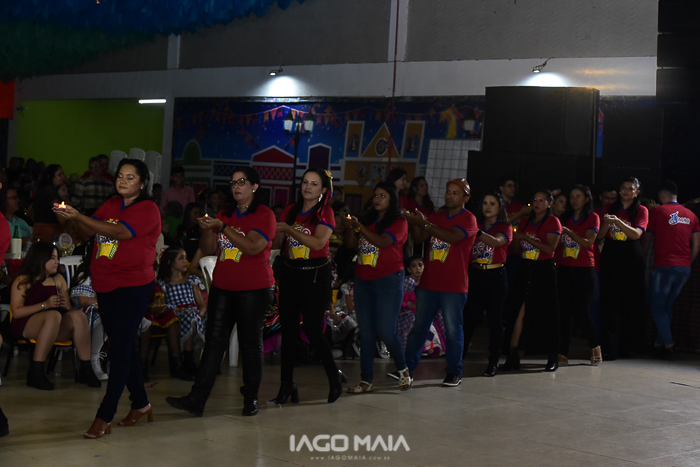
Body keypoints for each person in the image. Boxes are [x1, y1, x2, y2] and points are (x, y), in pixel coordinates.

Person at [54, 158, 161, 439]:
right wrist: (70, 218)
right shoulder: (113, 204)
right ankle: (141, 403)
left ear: (143, 183)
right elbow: (89, 232)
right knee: (122, 346)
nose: (123, 181)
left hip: (133, 286)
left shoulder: (148, 209)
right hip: (106, 284)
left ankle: (105, 415)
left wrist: (79, 217)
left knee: (119, 350)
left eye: (130, 177)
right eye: (120, 176)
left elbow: (119, 232)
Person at [166, 166, 276, 417]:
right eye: (233, 182)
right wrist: (207, 227)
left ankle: (251, 397)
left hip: (254, 290)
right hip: (223, 287)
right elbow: (208, 249)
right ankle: (197, 399)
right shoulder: (225, 213)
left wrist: (223, 226)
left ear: (254, 186)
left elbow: (252, 247)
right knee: (214, 343)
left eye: (242, 182)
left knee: (250, 344)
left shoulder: (264, 214)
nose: (236, 186)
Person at [271, 168, 345, 405]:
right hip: (290, 273)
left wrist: (288, 229)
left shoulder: (325, 212)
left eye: (314, 184)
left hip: (315, 274)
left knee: (313, 328)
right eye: (305, 182)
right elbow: (278, 242)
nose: (308, 187)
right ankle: (287, 384)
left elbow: (318, 242)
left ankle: (333, 375)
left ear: (323, 190)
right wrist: (276, 232)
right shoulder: (291, 210)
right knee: (289, 330)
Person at [404, 178, 478, 387]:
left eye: (455, 193)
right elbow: (420, 238)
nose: (449, 196)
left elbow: (452, 237)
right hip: (428, 283)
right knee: (419, 328)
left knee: (453, 331)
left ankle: (454, 372)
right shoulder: (437, 216)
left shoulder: (469, 219)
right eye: (448, 191)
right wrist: (415, 222)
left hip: (453, 286)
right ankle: (406, 370)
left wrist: (426, 224)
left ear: (466, 198)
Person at [344, 181, 411, 393]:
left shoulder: (399, 221)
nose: (377, 199)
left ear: (392, 199)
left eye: (383, 195)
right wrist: (351, 228)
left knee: (386, 329)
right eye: (375, 195)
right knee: (366, 331)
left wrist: (360, 228)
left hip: (388, 279)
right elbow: (350, 244)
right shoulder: (368, 219)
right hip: (363, 278)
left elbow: (382, 242)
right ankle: (366, 380)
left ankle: (403, 369)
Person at [10, 242, 101, 390]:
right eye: (53, 258)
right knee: (53, 316)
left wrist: (65, 304)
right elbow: (17, 312)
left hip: (54, 324)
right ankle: (36, 370)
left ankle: (86, 368)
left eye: (57, 258)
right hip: (26, 323)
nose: (57, 262)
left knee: (78, 315)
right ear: (40, 259)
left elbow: (68, 309)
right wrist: (44, 305)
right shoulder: (23, 280)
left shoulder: (58, 279)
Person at [501, 189, 562, 372]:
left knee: (547, 313)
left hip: (543, 270)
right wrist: (517, 238)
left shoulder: (553, 221)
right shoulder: (525, 221)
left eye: (542, 200)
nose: (537, 203)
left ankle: (552, 355)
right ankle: (512, 355)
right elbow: (515, 248)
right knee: (517, 311)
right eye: (535, 199)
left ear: (550, 203)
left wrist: (526, 238)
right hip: (524, 267)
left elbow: (550, 248)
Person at [643, 180, 700, 358]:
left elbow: (647, 240)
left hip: (663, 266)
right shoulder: (692, 216)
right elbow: (697, 244)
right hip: (684, 268)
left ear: (662, 195)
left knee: (657, 306)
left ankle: (669, 345)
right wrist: (687, 262)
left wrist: (642, 260)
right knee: (667, 306)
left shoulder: (657, 212)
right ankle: (658, 344)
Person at [597, 176, 648, 360]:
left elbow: (636, 234)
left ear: (637, 192)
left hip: (631, 256)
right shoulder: (610, 208)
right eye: (623, 188)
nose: (626, 191)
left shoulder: (641, 210)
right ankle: (610, 347)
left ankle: (626, 347)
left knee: (629, 302)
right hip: (611, 254)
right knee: (610, 302)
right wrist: (606, 222)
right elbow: (600, 236)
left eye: (630, 188)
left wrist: (618, 222)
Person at [463, 192, 512, 377]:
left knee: (494, 320)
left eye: (492, 203)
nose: (488, 206)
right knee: (468, 318)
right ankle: (458, 358)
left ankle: (493, 361)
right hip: (475, 274)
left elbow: (496, 242)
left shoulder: (505, 227)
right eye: (485, 203)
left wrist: (475, 231)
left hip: (495, 276)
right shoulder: (477, 223)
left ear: (499, 208)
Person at [556, 185, 601, 366]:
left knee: (583, 312)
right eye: (572, 196)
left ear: (587, 199)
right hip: (565, 269)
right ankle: (562, 353)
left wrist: (568, 232)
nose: (574, 200)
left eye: (578, 196)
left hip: (584, 270)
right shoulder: (564, 217)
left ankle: (595, 346)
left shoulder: (593, 217)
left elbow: (588, 242)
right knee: (564, 313)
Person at [156, 246, 207, 377]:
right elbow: (163, 307)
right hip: (176, 314)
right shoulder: (164, 284)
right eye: (181, 258)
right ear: (170, 262)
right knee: (190, 317)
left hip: (193, 312)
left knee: (195, 316)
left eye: (185, 258)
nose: (186, 261)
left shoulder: (191, 280)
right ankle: (186, 361)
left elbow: (201, 304)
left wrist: (201, 311)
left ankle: (195, 359)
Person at [70, 238, 109, 380]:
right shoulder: (85, 274)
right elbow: (84, 301)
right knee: (108, 319)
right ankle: (93, 357)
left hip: (101, 312)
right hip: (84, 316)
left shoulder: (109, 274)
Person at [32, 164, 66, 242]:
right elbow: (60, 214)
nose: (63, 177)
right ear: (50, 176)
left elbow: (32, 214)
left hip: (37, 231)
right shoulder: (51, 191)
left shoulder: (40, 190)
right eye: (59, 175)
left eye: (63, 174)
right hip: (49, 234)